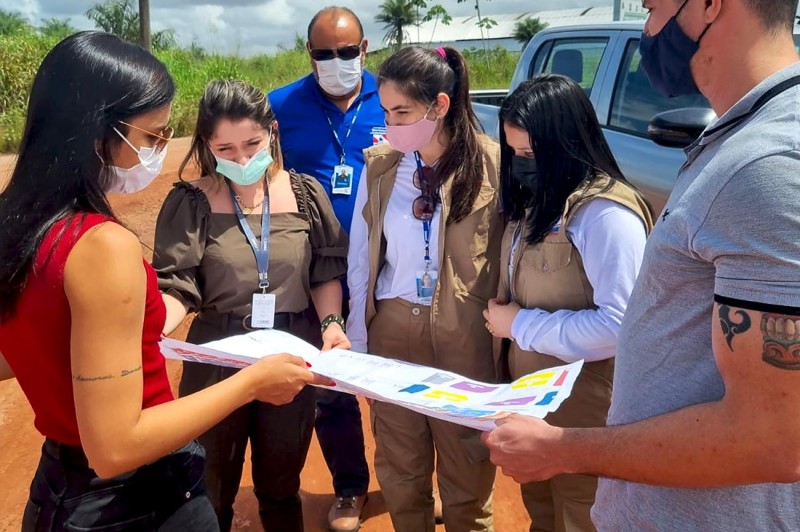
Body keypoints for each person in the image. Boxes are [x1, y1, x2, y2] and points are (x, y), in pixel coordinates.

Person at [482, 0, 800, 529]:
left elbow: (772, 437)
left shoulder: (767, 165)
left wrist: (566, 449)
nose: (648, 30)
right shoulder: (737, 144)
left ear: (709, 5)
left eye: (652, 9)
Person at [0, 32, 322, 532]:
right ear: (97, 131)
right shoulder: (101, 246)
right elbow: (115, 447)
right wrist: (252, 382)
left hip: (59, 490)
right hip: (134, 500)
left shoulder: (21, 227)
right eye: (151, 137)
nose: (156, 151)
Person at [152, 79, 350, 532]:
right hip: (217, 354)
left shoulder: (305, 194)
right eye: (226, 148)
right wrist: (155, 326)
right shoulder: (192, 202)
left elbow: (323, 272)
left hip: (290, 351)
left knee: (281, 483)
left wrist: (332, 324)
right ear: (207, 144)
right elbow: (178, 285)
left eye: (252, 144)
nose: (241, 160)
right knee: (210, 483)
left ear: (272, 132)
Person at [482, 76, 652, 531]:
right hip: (534, 405)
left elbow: (619, 325)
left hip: (587, 419)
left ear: (567, 144)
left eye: (532, 154)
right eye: (515, 154)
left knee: (583, 514)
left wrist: (519, 325)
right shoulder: (539, 203)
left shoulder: (605, 215)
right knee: (542, 513)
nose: (523, 166)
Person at [347, 45, 504, 532]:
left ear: (439, 105)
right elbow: (360, 258)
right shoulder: (381, 167)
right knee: (401, 469)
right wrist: (358, 342)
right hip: (393, 332)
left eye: (402, 112)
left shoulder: (494, 166)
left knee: (467, 473)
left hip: (466, 335)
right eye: (385, 111)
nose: (390, 124)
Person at [268, 6, 381, 531]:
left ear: (365, 49)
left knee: (396, 380)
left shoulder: (394, 98)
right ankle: (350, 488)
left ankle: (416, 484)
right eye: (324, 54)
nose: (337, 62)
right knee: (330, 385)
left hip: (386, 267)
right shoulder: (281, 107)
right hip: (319, 274)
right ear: (308, 54)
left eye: (347, 51)